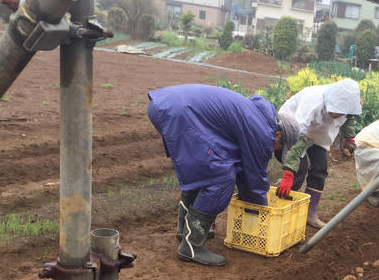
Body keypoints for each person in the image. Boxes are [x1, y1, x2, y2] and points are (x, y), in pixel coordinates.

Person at [148, 84, 300, 266]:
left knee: (208, 168)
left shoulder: (258, 117)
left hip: (166, 104)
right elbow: (255, 180)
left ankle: (186, 231)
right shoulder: (262, 132)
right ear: (278, 135)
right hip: (179, 112)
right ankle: (191, 245)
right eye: (278, 148)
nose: (273, 151)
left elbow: (244, 169)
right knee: (219, 176)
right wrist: (260, 218)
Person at [275, 78, 362, 228]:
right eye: (335, 110)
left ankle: (310, 214)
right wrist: (289, 172)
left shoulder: (346, 109)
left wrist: (348, 138)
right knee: (298, 171)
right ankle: (280, 212)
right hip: (294, 130)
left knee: (320, 168)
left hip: (317, 134)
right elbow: (298, 139)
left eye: (341, 112)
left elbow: (349, 119)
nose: (337, 115)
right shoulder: (312, 102)